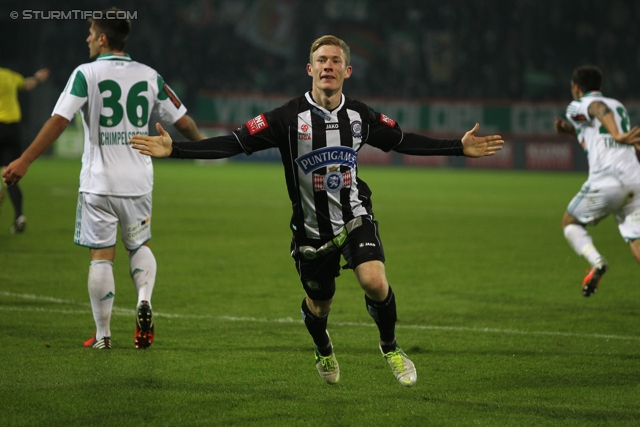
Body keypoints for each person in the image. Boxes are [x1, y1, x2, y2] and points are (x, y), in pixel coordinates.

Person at [130, 35, 504, 386]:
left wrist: (458, 146)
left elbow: (404, 140)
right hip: (310, 233)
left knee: (374, 281)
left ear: (347, 71)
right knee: (319, 305)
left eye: (335, 61)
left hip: (354, 215)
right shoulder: (285, 118)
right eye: (321, 60)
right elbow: (235, 142)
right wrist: (176, 150)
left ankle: (390, 347)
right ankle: (323, 347)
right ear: (309, 70)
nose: (328, 65)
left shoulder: (360, 116)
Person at [2, 9, 206, 350]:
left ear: (102, 38)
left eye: (90, 32)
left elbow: (58, 119)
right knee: (139, 245)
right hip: (138, 180)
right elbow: (183, 122)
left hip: (98, 182)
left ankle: (103, 335)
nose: (87, 38)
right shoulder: (149, 75)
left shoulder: (86, 74)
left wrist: (25, 159)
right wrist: (205, 149)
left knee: (101, 255)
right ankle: (144, 298)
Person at [554, 65, 640, 297]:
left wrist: (617, 134)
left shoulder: (578, 105)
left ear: (576, 87)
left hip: (608, 182)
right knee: (638, 245)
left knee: (570, 222)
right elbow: (596, 135)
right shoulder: (619, 105)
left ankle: (597, 262)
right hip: (635, 182)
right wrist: (572, 132)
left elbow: (596, 107)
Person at [0, 66, 50, 233]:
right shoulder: (8, 74)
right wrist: (37, 78)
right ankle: (19, 216)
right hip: (13, 129)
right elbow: (27, 84)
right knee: (10, 172)